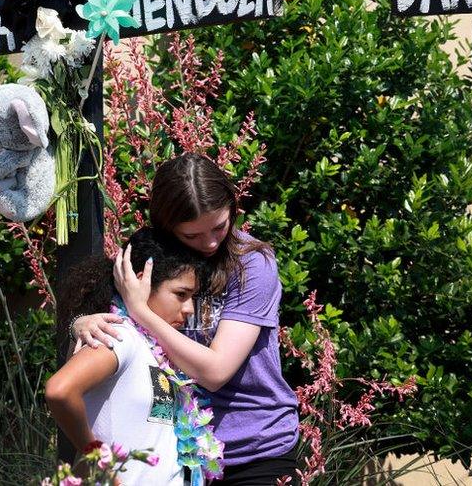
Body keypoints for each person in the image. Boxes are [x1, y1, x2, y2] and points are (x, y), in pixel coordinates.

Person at [73, 153, 301, 485]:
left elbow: (215, 371)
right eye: (192, 235)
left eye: (220, 226)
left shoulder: (252, 265)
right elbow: (107, 308)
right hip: (180, 457)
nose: (209, 242)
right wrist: (80, 321)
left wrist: (142, 313)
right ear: (168, 227)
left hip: (256, 451)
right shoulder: (155, 257)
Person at [45, 228, 201, 485]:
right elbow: (59, 391)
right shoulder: (120, 336)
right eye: (181, 294)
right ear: (143, 281)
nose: (189, 309)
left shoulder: (162, 350)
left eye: (192, 297)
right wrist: (97, 458)